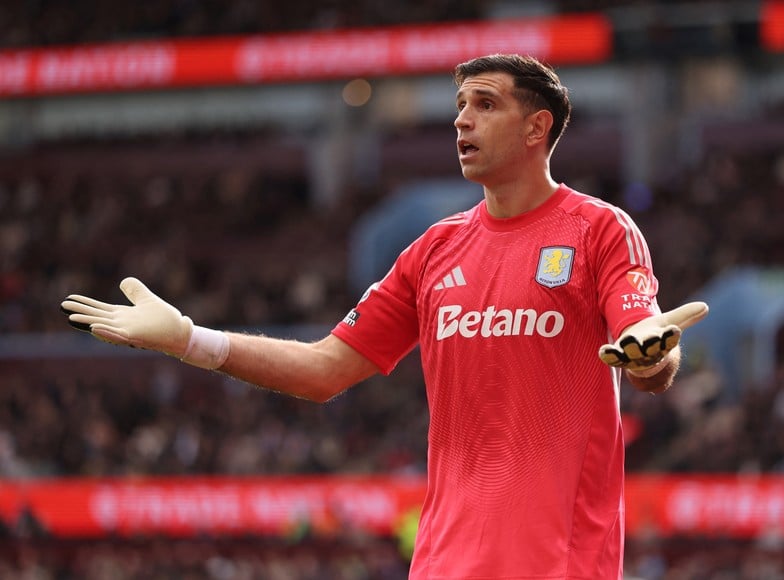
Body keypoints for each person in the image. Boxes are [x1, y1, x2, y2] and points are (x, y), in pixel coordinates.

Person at [62, 54, 708, 579]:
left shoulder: (598, 230)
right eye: (459, 106)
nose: (462, 120)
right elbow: (324, 370)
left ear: (537, 128)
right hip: (440, 563)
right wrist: (189, 340)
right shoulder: (433, 250)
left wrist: (654, 355)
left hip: (556, 563)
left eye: (485, 104)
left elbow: (642, 340)